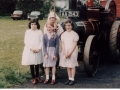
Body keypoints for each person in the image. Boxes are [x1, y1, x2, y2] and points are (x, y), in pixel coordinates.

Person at [22, 19, 43, 85]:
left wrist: (39, 48)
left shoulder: (39, 32)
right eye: (32, 24)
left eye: (35, 24)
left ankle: (37, 76)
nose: (34, 26)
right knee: (32, 63)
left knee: (37, 63)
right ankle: (33, 77)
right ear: (30, 25)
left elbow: (42, 41)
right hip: (30, 50)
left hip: (37, 49)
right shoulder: (28, 31)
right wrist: (31, 48)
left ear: (37, 25)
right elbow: (26, 41)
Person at [59, 19, 79, 85]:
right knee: (68, 65)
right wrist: (64, 52)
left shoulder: (74, 34)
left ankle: (72, 79)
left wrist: (70, 53)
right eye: (66, 26)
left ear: (71, 26)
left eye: (69, 25)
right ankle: (69, 78)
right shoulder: (63, 34)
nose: (68, 27)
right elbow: (63, 44)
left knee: (72, 65)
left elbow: (75, 44)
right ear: (65, 26)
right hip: (66, 51)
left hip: (72, 51)